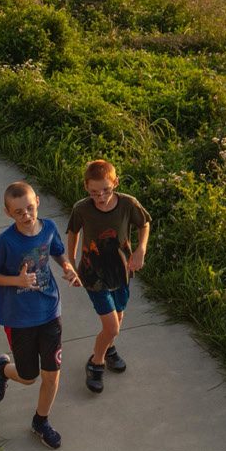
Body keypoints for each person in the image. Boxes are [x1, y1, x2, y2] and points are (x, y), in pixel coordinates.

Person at [0, 180, 81, 448]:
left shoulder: (48, 228)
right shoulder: (6, 241)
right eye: (19, 212)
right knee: (29, 377)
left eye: (29, 208)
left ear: (37, 201)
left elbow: (59, 253)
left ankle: (41, 421)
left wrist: (68, 268)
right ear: (8, 213)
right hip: (19, 319)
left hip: (50, 312)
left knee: (51, 374)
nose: (26, 215)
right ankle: (4, 369)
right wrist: (17, 281)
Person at [64, 158, 151, 394]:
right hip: (93, 275)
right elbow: (73, 232)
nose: (100, 197)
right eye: (94, 192)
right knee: (111, 326)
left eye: (106, 190)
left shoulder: (127, 204)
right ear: (86, 187)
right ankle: (96, 363)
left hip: (121, 271)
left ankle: (109, 349)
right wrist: (70, 264)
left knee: (118, 317)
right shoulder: (81, 208)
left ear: (115, 183)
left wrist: (141, 250)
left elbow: (144, 225)